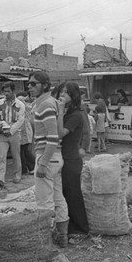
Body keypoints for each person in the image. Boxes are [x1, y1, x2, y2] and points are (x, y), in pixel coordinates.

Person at [28, 72, 69, 248]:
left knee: (44, 201)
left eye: (33, 84)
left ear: (45, 85)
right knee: (58, 197)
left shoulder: (46, 105)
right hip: (55, 157)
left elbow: (52, 138)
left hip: (48, 157)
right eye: (28, 83)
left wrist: (42, 163)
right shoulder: (49, 103)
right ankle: (62, 236)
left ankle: (45, 243)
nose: (29, 86)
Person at [58, 81, 89, 236]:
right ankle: (70, 227)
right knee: (65, 194)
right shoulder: (67, 113)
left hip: (72, 160)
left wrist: (60, 109)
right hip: (64, 158)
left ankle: (81, 229)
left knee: (73, 195)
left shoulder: (76, 114)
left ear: (74, 95)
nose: (62, 95)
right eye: (61, 91)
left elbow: (60, 133)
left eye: (66, 92)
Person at [0, 82, 25, 187]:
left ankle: (17, 176)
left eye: (8, 91)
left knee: (16, 156)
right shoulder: (0, 103)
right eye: (4, 91)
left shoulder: (20, 104)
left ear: (13, 91)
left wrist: (11, 130)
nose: (6, 93)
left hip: (14, 133)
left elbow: (20, 120)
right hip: (2, 134)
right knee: (1, 156)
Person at [16, 92, 35, 175]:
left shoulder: (26, 107)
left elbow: (28, 106)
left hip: (25, 132)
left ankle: (32, 167)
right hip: (20, 131)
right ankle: (24, 169)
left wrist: (22, 100)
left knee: (25, 150)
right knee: (21, 151)